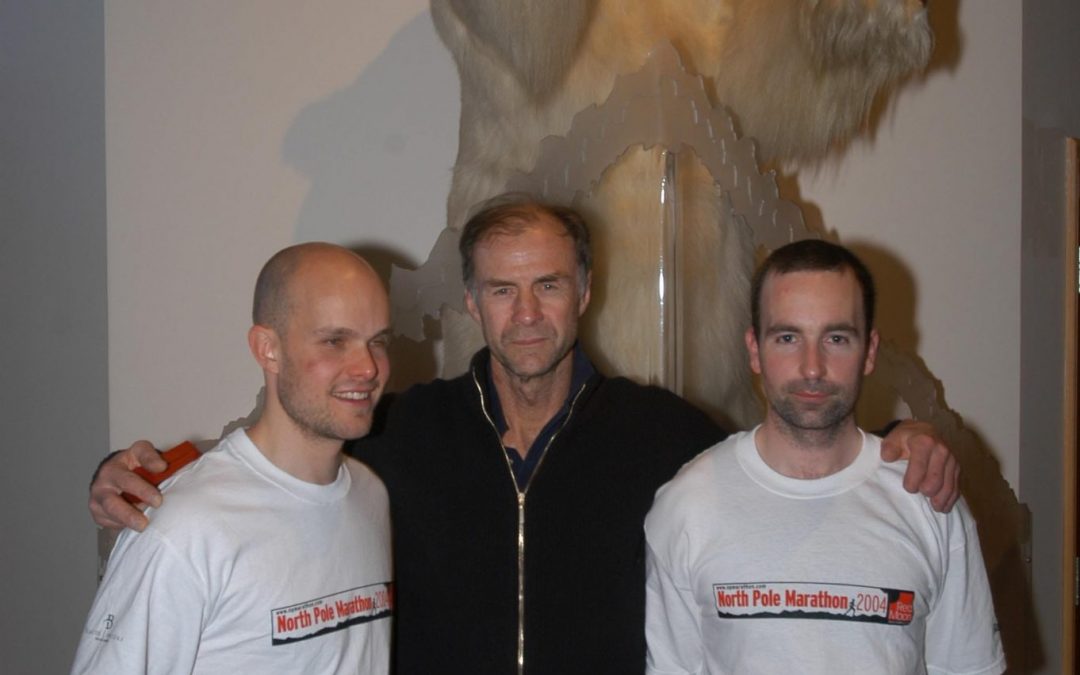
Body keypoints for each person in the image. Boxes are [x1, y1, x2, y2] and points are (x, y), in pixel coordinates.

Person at [89, 197, 960, 674]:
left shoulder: (665, 435)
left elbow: (788, 459)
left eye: (549, 284)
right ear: (471, 302)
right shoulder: (400, 429)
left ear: (585, 291)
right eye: (503, 290)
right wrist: (149, 468)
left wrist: (901, 443)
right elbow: (279, 457)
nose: (529, 312)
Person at [644, 240, 1004, 674]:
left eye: (836, 338)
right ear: (754, 350)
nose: (812, 367)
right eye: (788, 337)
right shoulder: (687, 505)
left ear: (869, 352)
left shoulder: (928, 499)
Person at [73, 244, 394, 674]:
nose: (369, 367)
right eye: (335, 340)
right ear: (268, 349)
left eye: (378, 342)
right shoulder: (182, 529)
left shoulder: (371, 494)